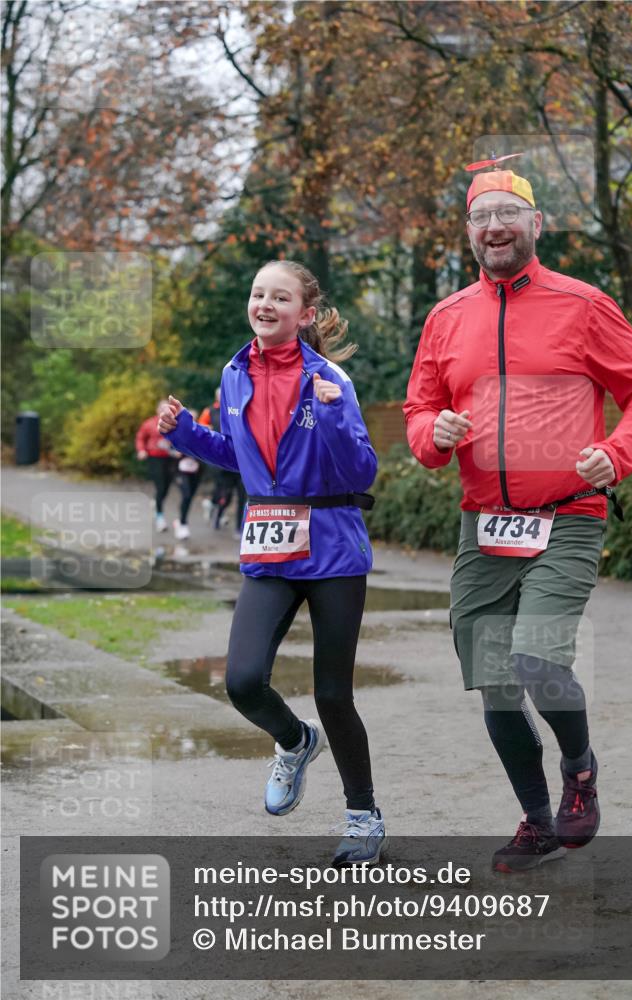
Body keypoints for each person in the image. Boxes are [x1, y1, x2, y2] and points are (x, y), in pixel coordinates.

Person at [404, 163, 632, 873]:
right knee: (494, 680)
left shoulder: (583, 305)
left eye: (507, 215)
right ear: (468, 231)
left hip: (567, 515)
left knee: (536, 658)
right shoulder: (447, 316)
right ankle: (536, 820)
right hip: (483, 524)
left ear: (535, 225)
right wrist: (436, 435)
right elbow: (418, 411)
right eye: (481, 216)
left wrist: (615, 454)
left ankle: (578, 768)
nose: (494, 227)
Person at [157, 260, 386, 865]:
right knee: (241, 680)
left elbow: (363, 471)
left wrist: (333, 413)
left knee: (334, 693)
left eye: (279, 297)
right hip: (269, 545)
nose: (264, 304)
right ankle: (294, 741)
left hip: (334, 546)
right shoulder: (235, 372)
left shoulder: (329, 376)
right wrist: (183, 433)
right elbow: (240, 454)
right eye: (257, 293)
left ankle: (363, 817)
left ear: (304, 313)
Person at [200, 389, 246, 533]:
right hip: (220, 459)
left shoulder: (238, 407)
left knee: (242, 497)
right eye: (220, 395)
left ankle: (239, 528)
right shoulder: (210, 411)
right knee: (224, 494)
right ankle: (216, 514)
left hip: (241, 460)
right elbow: (200, 428)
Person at [135, 400, 178, 532]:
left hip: (170, 458)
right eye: (161, 408)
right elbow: (140, 437)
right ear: (157, 410)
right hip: (155, 458)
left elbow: (180, 439)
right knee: (160, 486)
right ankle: (160, 517)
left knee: (166, 486)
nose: (164, 410)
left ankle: (157, 502)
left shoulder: (174, 423)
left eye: (167, 408)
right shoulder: (149, 423)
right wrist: (141, 450)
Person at [173, 409, 203, 540]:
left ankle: (181, 521)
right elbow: (171, 449)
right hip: (180, 470)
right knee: (186, 495)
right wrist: (177, 452)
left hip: (195, 471)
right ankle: (182, 523)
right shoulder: (178, 432)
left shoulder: (200, 432)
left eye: (194, 418)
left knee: (190, 496)